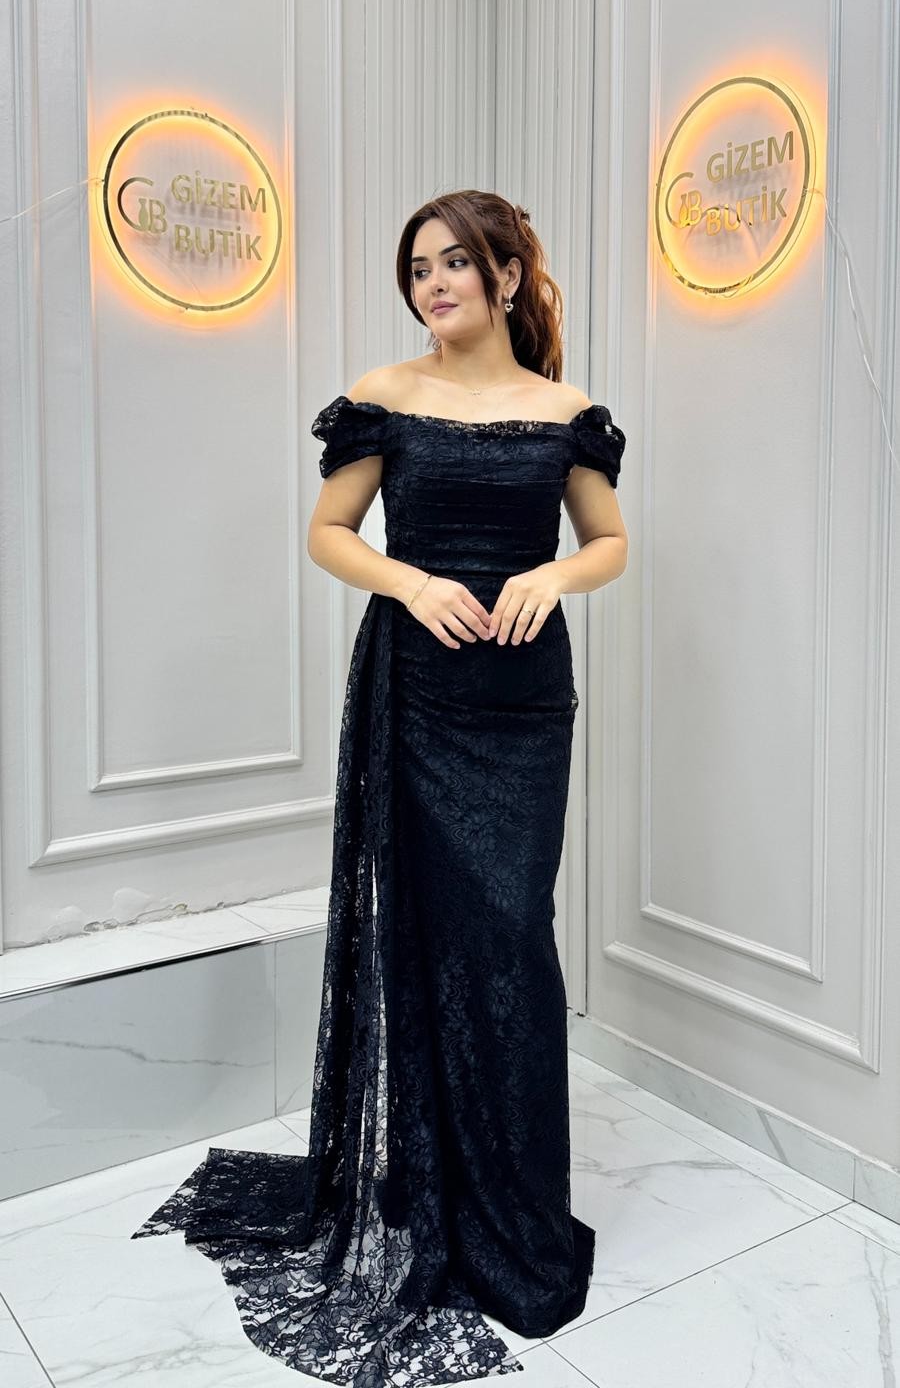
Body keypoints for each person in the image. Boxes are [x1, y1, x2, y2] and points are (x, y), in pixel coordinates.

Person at [130, 190, 628, 1387]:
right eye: (418, 268)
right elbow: (330, 529)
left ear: (507, 275)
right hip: (418, 694)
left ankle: (515, 1213)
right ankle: (428, 1187)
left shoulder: (569, 412)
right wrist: (411, 582)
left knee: (513, 936)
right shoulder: (384, 395)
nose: (433, 284)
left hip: (525, 705)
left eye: (455, 262)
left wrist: (555, 576)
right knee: (426, 932)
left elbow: (611, 541)